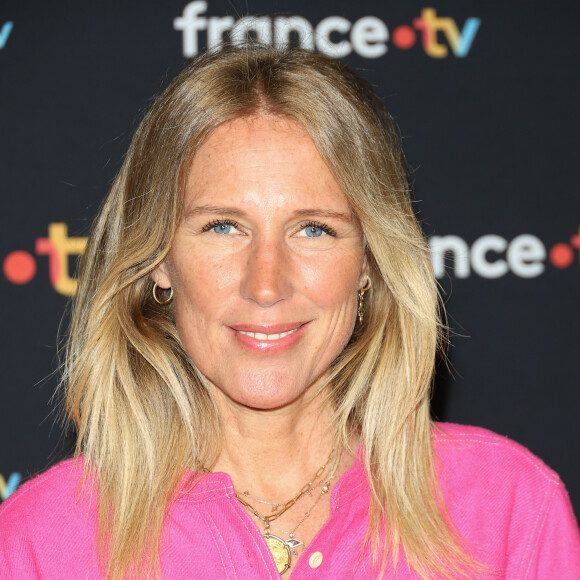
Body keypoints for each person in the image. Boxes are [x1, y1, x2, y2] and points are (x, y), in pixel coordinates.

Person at [0, 45, 579, 580]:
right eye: (223, 226)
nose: (267, 284)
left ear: (370, 262)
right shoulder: (41, 541)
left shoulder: (506, 511)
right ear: (159, 259)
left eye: (314, 229)